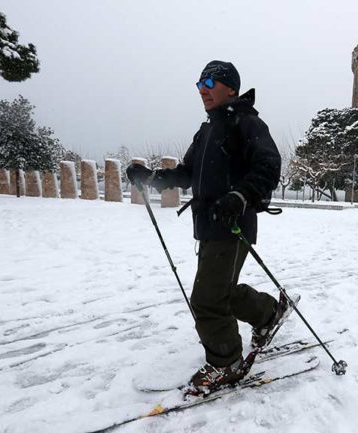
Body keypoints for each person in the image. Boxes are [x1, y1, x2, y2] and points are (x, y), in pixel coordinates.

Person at [126, 60, 295, 394]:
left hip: (233, 224)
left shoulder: (246, 122)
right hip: (209, 224)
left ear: (230, 87)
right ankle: (268, 314)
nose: (201, 89)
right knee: (221, 292)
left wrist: (239, 196)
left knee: (206, 300)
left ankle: (226, 363)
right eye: (199, 83)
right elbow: (188, 172)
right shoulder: (207, 130)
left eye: (209, 82)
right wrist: (153, 177)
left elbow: (268, 166)